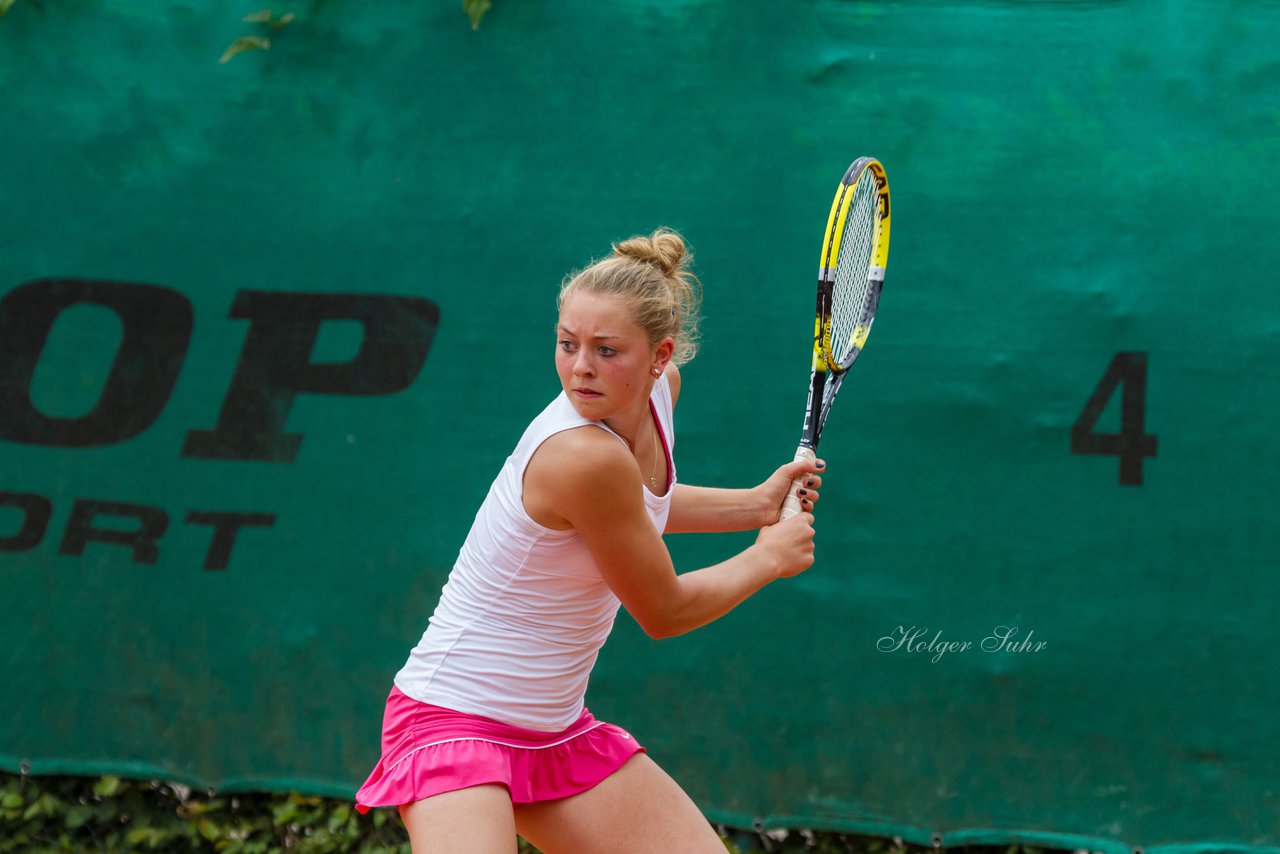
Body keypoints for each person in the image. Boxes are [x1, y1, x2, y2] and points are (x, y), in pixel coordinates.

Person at [355, 227, 824, 853]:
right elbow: (663, 610)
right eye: (567, 344)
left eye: (607, 350)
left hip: (555, 730)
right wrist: (766, 558)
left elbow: (633, 514)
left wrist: (756, 505)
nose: (580, 367)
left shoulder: (661, 396)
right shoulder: (581, 456)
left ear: (660, 357)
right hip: (452, 719)